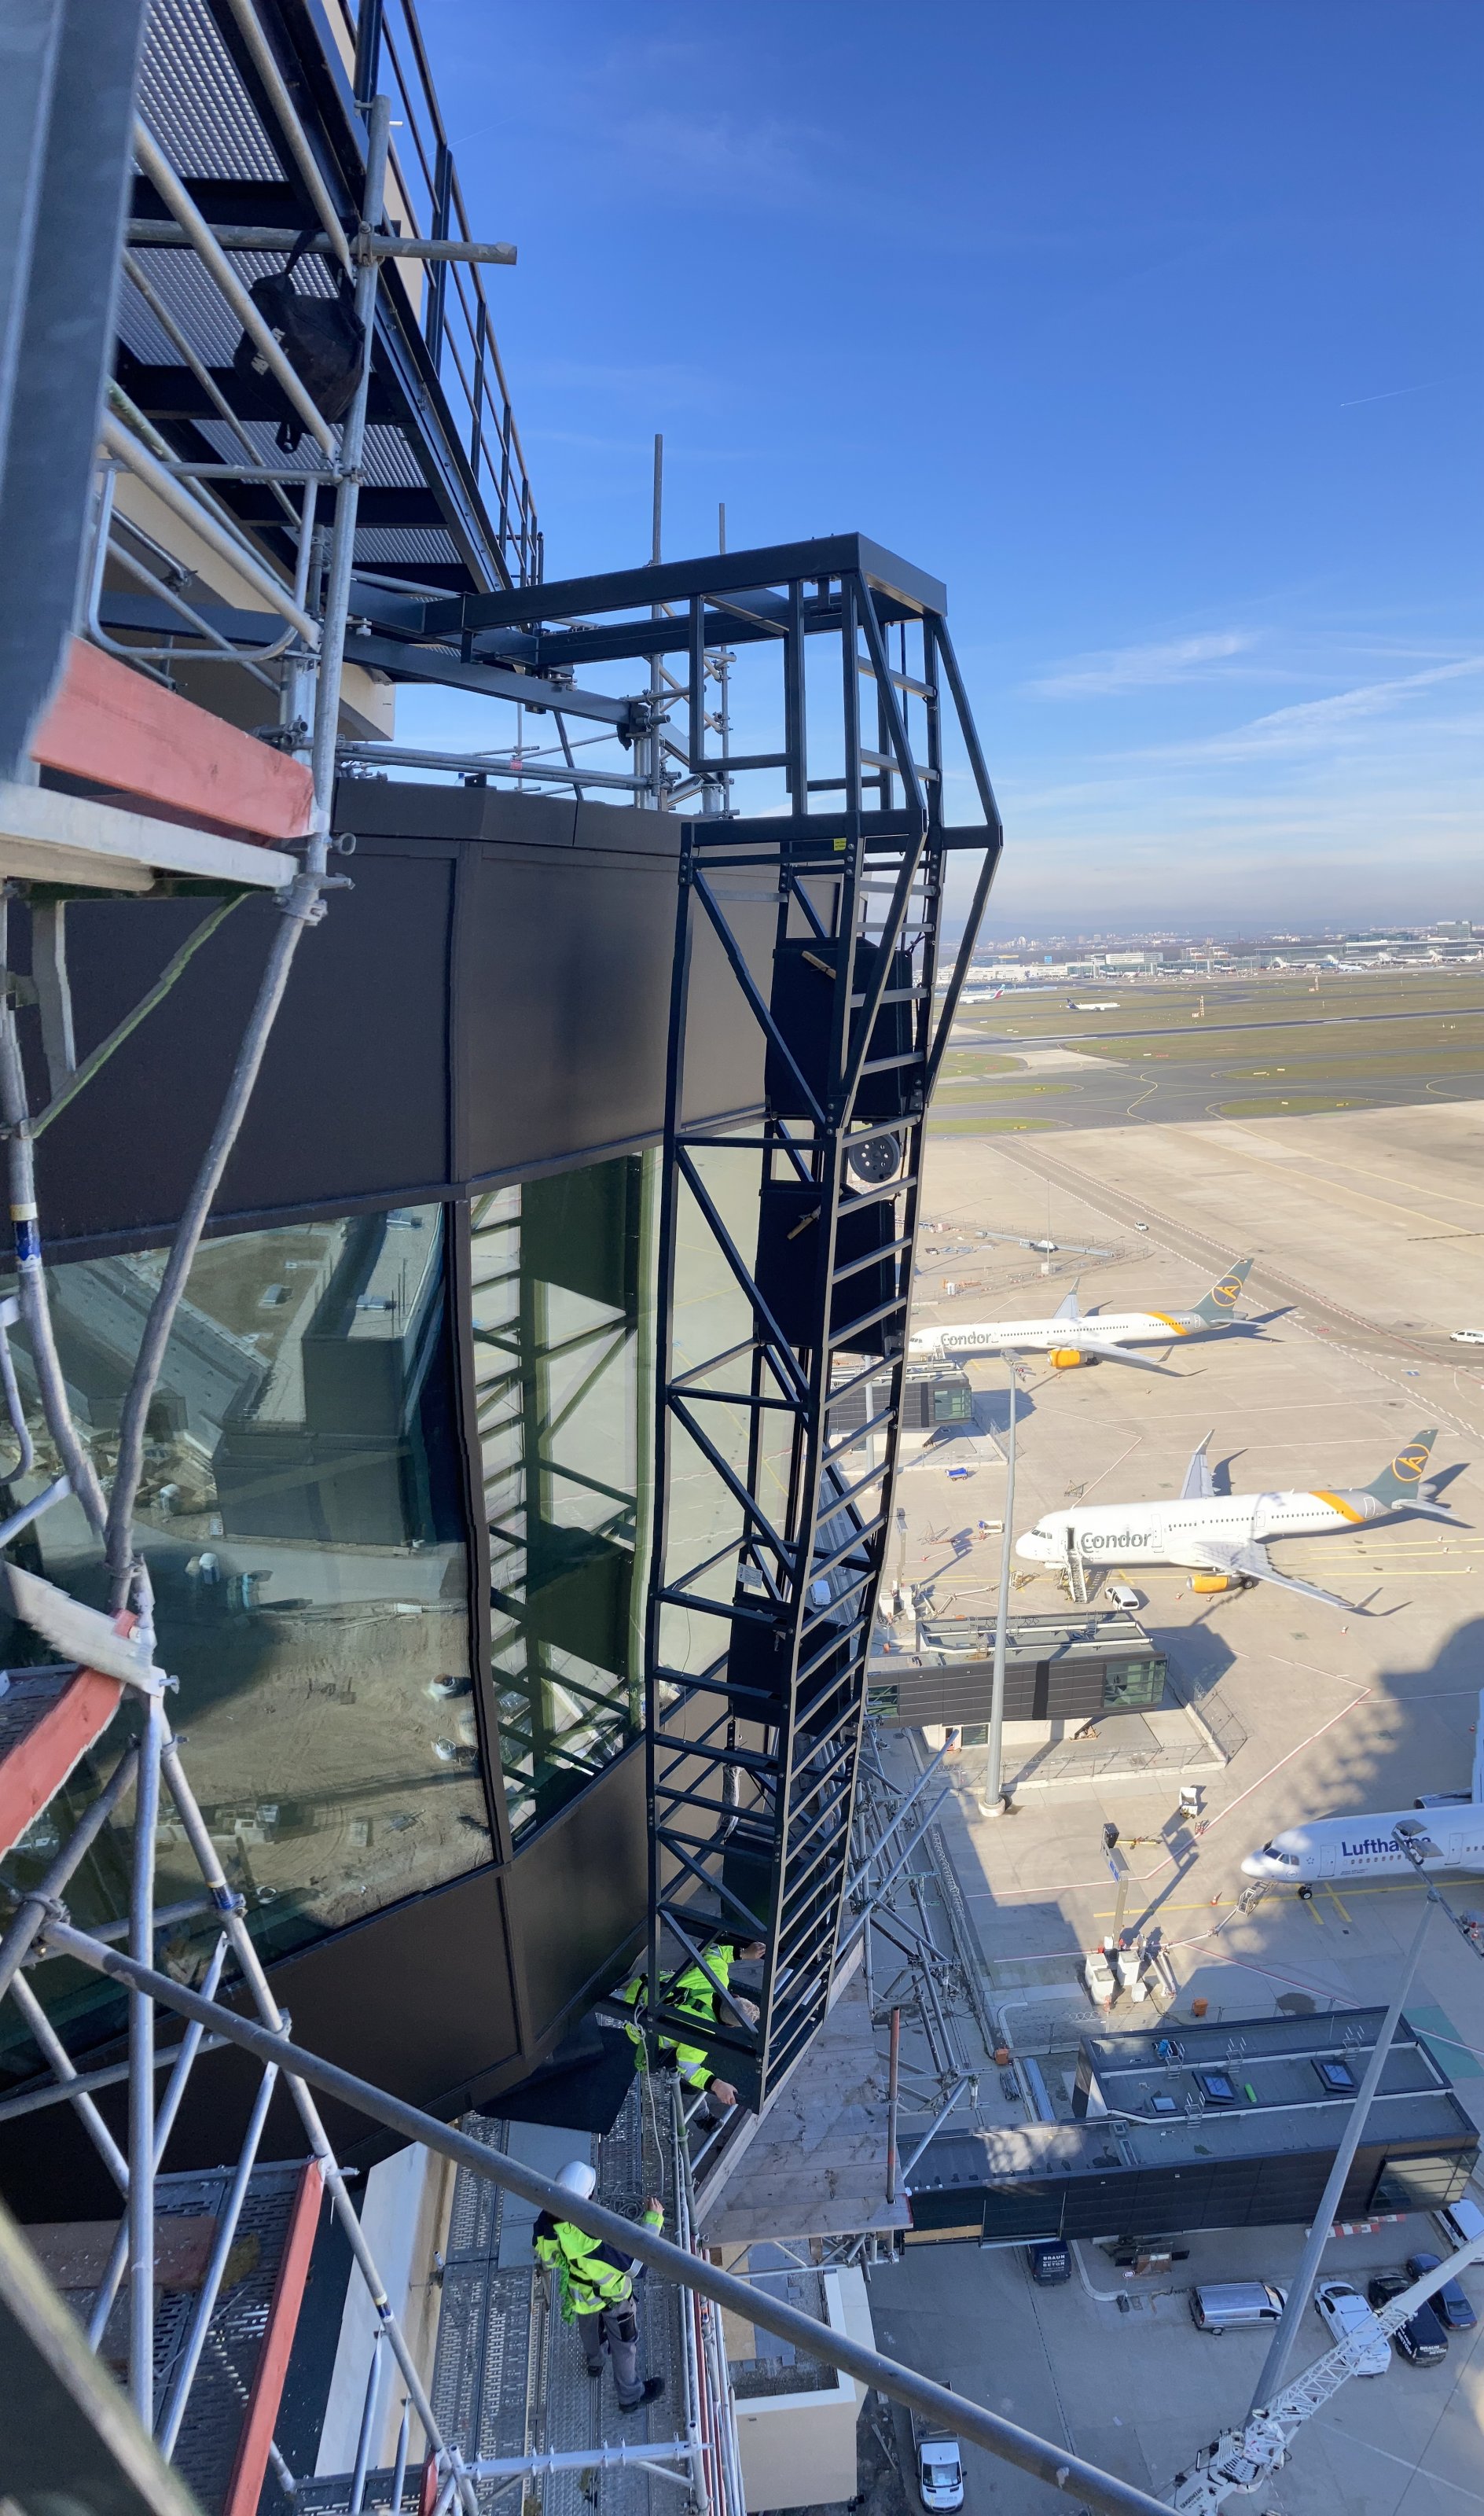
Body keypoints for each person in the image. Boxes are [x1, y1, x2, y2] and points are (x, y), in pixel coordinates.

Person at [532, 2161, 666, 2411]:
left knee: (590, 2332)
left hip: (581, 2296)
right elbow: (636, 2266)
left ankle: (595, 2363)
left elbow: (547, 2258)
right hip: (614, 2300)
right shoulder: (594, 2237)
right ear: (587, 2197)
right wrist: (652, 2222)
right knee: (624, 2346)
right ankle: (630, 2397)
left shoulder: (545, 2223)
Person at [615, 1940, 765, 2121]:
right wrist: (716, 2085)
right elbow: (687, 2067)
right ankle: (702, 2116)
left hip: (643, 1985)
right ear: (730, 2026)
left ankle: (702, 2116)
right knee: (685, 2080)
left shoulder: (716, 1977)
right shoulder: (702, 2031)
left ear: (735, 1995)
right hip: (635, 2021)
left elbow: (715, 1951)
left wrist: (744, 1953)